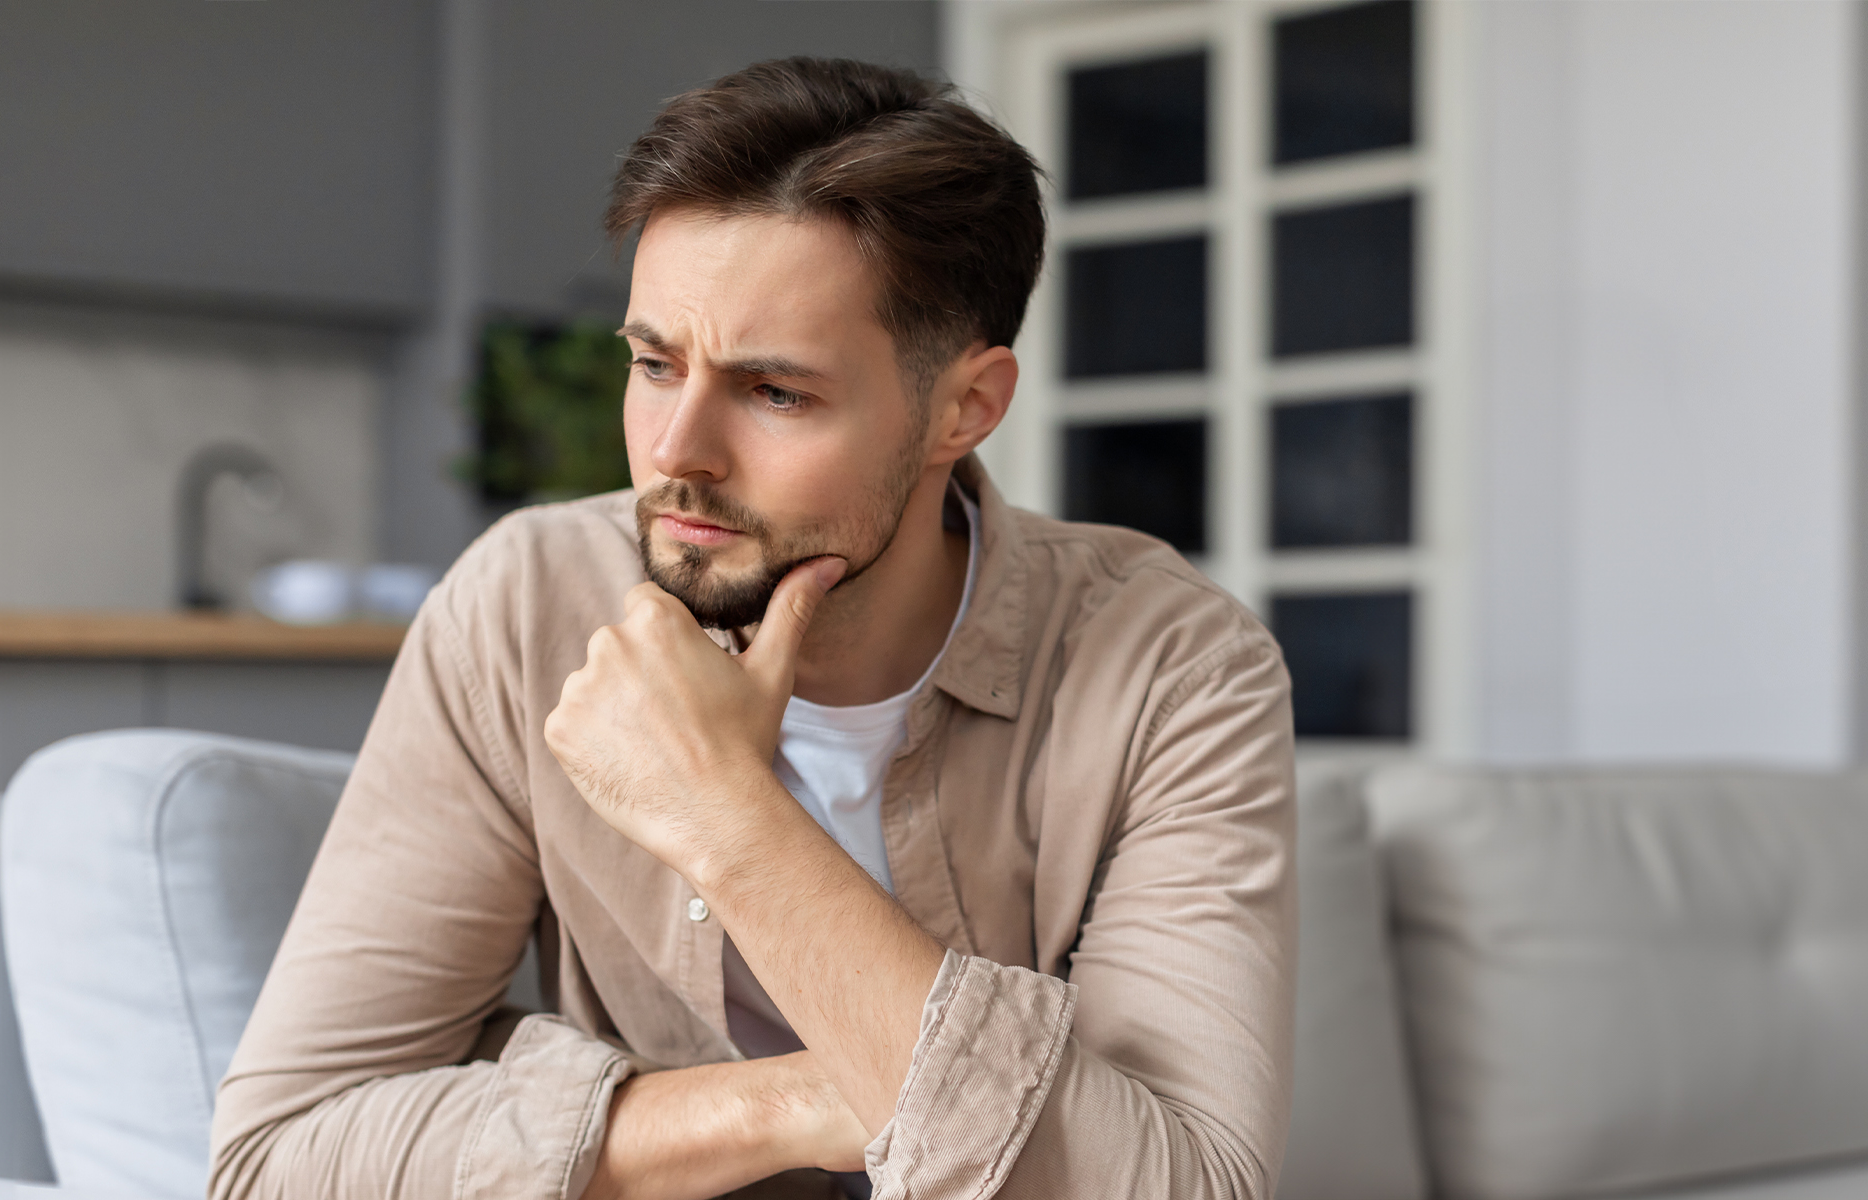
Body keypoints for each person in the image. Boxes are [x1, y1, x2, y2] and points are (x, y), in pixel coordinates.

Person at [210, 57, 1294, 1200]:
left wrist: (723, 815)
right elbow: (283, 1157)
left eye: (775, 392)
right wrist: (823, 1098)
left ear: (964, 408)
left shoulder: (1175, 665)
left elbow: (1187, 1187)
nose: (677, 451)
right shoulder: (526, 608)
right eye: (653, 363)